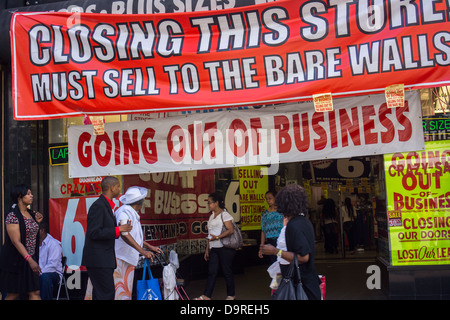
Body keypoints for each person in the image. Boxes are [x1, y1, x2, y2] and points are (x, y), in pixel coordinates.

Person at [260, 184, 321, 300]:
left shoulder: (294, 226)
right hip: (307, 281)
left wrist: (275, 251)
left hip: (299, 284)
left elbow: (303, 257)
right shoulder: (304, 222)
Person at [82, 176, 132, 300]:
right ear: (112, 188)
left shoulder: (106, 205)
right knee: (106, 294)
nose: (119, 190)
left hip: (103, 259)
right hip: (98, 260)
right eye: (118, 187)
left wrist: (120, 229)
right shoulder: (98, 206)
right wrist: (118, 229)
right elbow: (94, 233)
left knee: (101, 294)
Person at [113, 186, 163, 300]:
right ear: (139, 202)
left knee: (125, 292)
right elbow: (124, 234)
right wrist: (142, 251)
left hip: (125, 258)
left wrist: (149, 247)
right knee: (121, 293)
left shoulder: (130, 212)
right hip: (121, 259)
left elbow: (134, 237)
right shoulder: (124, 212)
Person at [0, 184, 43, 300]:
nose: (31, 196)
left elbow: (30, 236)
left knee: (35, 292)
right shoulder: (12, 216)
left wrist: (37, 223)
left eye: (31, 193)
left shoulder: (31, 214)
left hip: (30, 258)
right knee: (14, 294)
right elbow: (16, 241)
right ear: (19, 197)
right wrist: (30, 260)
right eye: (28, 194)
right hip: (15, 260)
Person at [195, 193, 236, 300]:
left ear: (216, 203)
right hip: (214, 247)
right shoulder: (211, 216)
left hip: (224, 247)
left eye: (210, 203)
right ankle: (206, 295)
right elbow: (210, 233)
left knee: (227, 271)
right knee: (212, 271)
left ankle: (231, 295)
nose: (208, 205)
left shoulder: (225, 215)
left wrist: (217, 237)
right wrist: (207, 249)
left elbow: (230, 230)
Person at [38, 222, 63, 300]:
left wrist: (39, 273)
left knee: (44, 278)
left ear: (42, 230)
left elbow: (52, 266)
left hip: (53, 273)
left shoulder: (53, 244)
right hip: (37, 272)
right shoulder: (33, 243)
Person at [258, 191, 283, 263]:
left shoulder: (282, 211)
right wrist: (262, 245)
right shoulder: (265, 214)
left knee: (283, 260)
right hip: (270, 241)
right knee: (274, 263)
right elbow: (263, 230)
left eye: (270, 198)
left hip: (281, 240)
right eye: (267, 199)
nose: (268, 200)